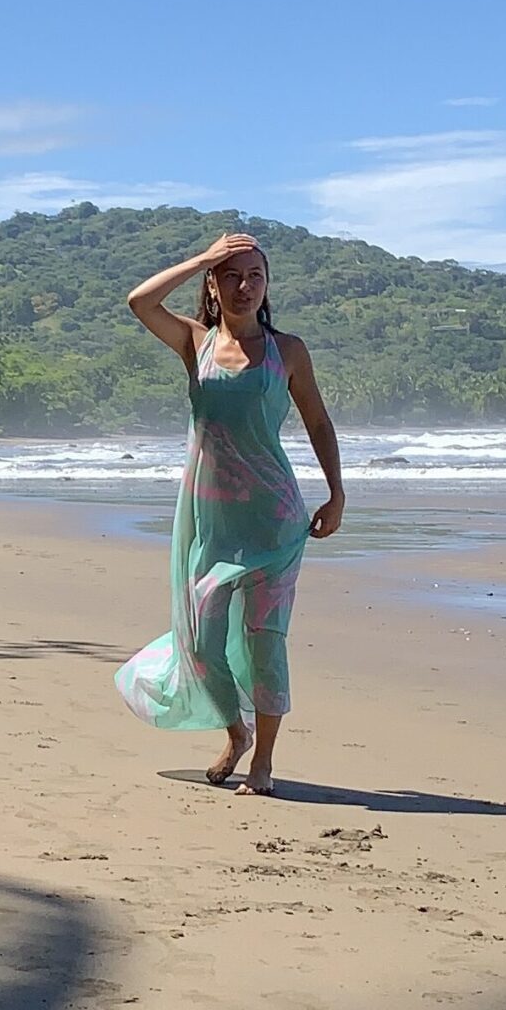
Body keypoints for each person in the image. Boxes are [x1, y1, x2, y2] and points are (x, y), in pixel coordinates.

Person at [115, 231, 345, 797]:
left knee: (265, 637)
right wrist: (200, 257)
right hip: (212, 521)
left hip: (275, 519)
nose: (245, 286)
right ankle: (235, 733)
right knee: (199, 638)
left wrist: (337, 493)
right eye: (231, 276)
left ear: (267, 285)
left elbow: (317, 422)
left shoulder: (286, 351)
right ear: (212, 287)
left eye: (255, 276)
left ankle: (263, 762)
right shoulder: (193, 342)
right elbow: (140, 302)